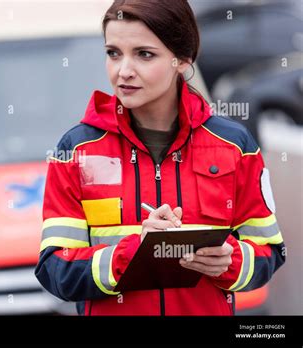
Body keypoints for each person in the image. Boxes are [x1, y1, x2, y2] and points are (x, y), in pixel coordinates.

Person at [35, 0, 285, 316]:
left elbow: (270, 253)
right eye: (113, 53)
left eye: (144, 54)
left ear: (182, 59)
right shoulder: (76, 150)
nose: (123, 71)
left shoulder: (234, 145)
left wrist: (231, 261)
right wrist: (131, 254)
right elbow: (55, 272)